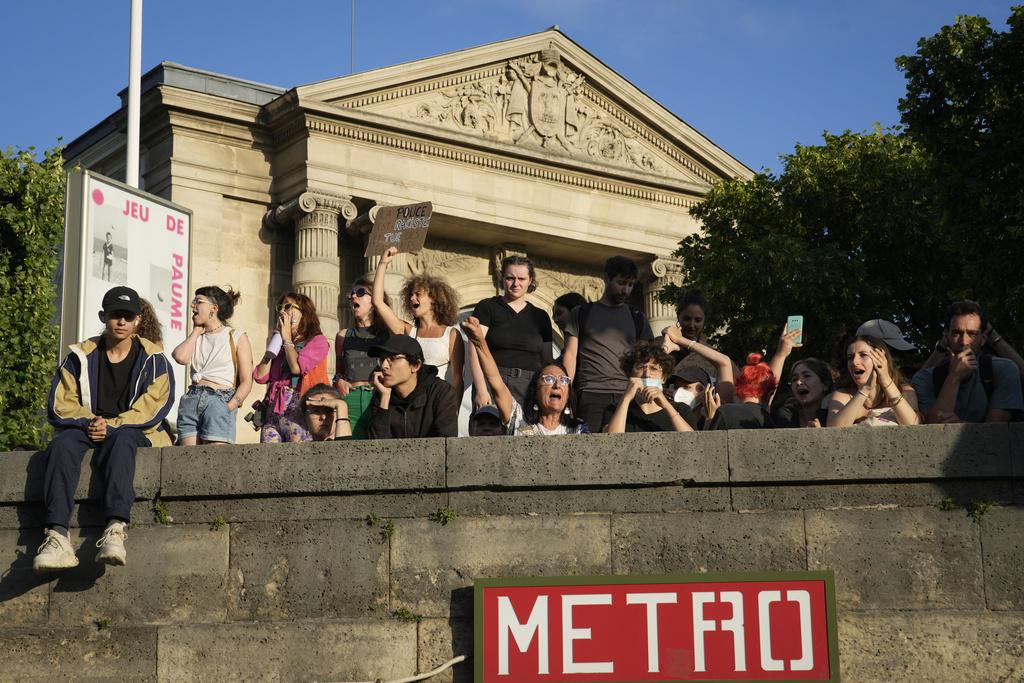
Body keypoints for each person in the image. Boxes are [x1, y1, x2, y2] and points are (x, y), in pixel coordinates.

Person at [33, 286, 175, 573]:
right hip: (86, 425)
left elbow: (154, 406)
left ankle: (115, 528)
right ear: (103, 316)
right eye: (115, 315)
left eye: (127, 316)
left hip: (134, 429)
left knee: (122, 441)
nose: (121, 322)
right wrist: (90, 422)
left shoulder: (154, 359)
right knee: (61, 446)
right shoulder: (79, 356)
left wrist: (111, 425)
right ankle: (57, 536)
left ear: (137, 320)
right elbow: (61, 404)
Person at [560, 256, 654, 432]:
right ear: (606, 278)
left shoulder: (638, 318)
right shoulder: (581, 313)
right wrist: (566, 391)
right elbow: (570, 356)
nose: (625, 290)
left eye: (630, 284)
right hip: (590, 394)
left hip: (628, 395)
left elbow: (645, 361)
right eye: (621, 283)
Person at [463, 316, 588, 436]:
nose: (557, 385)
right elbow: (496, 382)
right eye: (548, 379)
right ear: (535, 391)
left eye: (564, 380)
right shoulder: (518, 420)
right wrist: (479, 342)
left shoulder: (578, 429)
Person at [372, 247, 464, 397]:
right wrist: (383, 263)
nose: (412, 298)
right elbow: (377, 302)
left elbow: (457, 378)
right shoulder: (408, 331)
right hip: (412, 401)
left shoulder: (451, 334)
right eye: (411, 295)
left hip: (438, 402)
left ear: (433, 298)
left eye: (418, 295)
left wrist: (453, 410)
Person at [912, 300, 1023, 423]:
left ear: (983, 338)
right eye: (956, 333)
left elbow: (995, 432)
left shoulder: (1004, 370)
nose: (964, 342)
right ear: (946, 336)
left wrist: (959, 426)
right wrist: (954, 377)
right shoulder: (924, 379)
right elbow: (932, 428)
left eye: (972, 334)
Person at [172, 286, 254, 445]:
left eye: (198, 302)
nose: (192, 306)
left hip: (219, 398)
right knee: (187, 461)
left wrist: (229, 406)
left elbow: (247, 380)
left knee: (214, 462)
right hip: (192, 398)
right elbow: (180, 357)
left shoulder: (236, 336)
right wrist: (196, 331)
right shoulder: (197, 337)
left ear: (213, 308)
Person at [469, 255, 554, 407]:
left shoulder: (541, 316)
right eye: (510, 278)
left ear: (530, 281)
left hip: (530, 386)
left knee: (526, 430)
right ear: (502, 279)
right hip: (492, 380)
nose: (516, 283)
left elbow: (547, 361)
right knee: (489, 430)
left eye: (521, 278)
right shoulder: (487, 307)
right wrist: (481, 389)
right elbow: (475, 348)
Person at [253, 292, 330, 442]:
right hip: (273, 413)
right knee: (268, 460)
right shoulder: (280, 346)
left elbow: (297, 368)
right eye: (280, 308)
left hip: (299, 411)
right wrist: (275, 343)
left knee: (298, 459)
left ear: (304, 313)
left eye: (288, 307)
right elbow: (260, 376)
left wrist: (287, 338)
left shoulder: (317, 341)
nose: (282, 311)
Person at [366, 335, 459, 438]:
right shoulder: (380, 396)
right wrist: (384, 399)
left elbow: (446, 443)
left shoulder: (440, 392)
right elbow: (375, 448)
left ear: (415, 365)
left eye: (393, 358)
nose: (384, 366)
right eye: (382, 359)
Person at [333, 277, 390, 439]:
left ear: (375, 300)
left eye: (360, 292)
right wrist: (339, 381)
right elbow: (338, 372)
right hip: (350, 400)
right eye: (351, 294)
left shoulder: (388, 334)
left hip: (379, 398)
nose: (353, 297)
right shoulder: (343, 336)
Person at [602, 341, 695, 432]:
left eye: (654, 368)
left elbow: (693, 442)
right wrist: (626, 398)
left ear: (664, 377)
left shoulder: (681, 409)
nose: (647, 374)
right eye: (640, 367)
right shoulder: (614, 409)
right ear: (630, 374)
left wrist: (667, 406)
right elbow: (612, 441)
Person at [827, 336, 920, 427]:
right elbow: (833, 431)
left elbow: (914, 426)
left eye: (863, 355)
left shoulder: (905, 391)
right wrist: (865, 390)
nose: (855, 362)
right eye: (850, 357)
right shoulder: (842, 395)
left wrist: (886, 381)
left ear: (882, 359)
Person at [705, 353, 775, 430]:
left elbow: (708, 440)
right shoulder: (769, 421)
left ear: (738, 385)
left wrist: (710, 418)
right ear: (769, 392)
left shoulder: (726, 412)